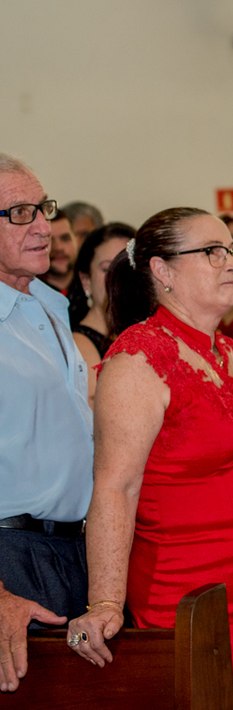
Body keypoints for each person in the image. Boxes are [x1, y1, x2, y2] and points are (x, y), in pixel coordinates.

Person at [66, 207, 233, 709]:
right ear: (163, 270)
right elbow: (115, 486)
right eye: (212, 252)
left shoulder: (232, 352)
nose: (231, 262)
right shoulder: (138, 359)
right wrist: (105, 600)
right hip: (197, 598)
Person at [0, 156, 93, 694]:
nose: (43, 227)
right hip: (12, 558)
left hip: (73, 550)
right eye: (19, 213)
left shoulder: (49, 304)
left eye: (42, 208)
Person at [70, 222, 136, 407]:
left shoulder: (142, 331)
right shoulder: (79, 346)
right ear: (86, 280)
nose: (118, 276)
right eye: (107, 269)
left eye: (128, 266)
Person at [39, 213, 77, 294]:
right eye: (49, 240)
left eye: (65, 238)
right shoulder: (25, 293)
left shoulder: (94, 288)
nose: (58, 248)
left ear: (76, 240)